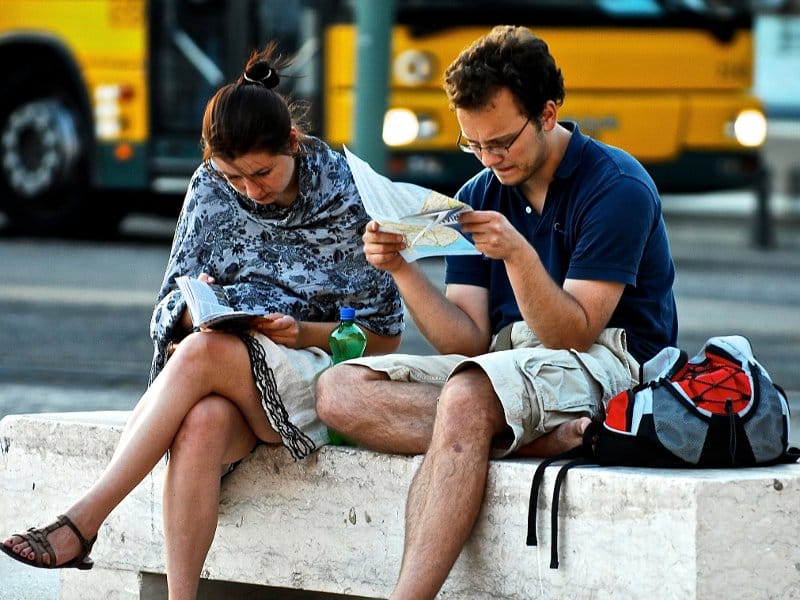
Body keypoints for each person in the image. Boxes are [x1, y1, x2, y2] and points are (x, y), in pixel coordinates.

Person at [1, 43, 403, 599]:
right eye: (233, 178)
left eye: (261, 173)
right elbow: (168, 304)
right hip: (226, 378)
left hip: (315, 378)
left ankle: (83, 520)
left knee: (200, 354)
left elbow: (385, 338)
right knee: (202, 422)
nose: (249, 192)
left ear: (293, 144)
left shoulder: (351, 194)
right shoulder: (209, 189)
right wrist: (194, 309)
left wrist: (300, 331)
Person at [315, 25, 678, 599]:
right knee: (339, 390)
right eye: (474, 145)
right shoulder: (481, 191)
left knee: (466, 398)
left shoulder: (616, 187)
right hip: (506, 362)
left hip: (610, 358)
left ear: (548, 114)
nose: (489, 158)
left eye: (502, 142)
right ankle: (538, 437)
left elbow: (574, 330)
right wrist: (402, 268)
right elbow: (465, 341)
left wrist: (517, 253)